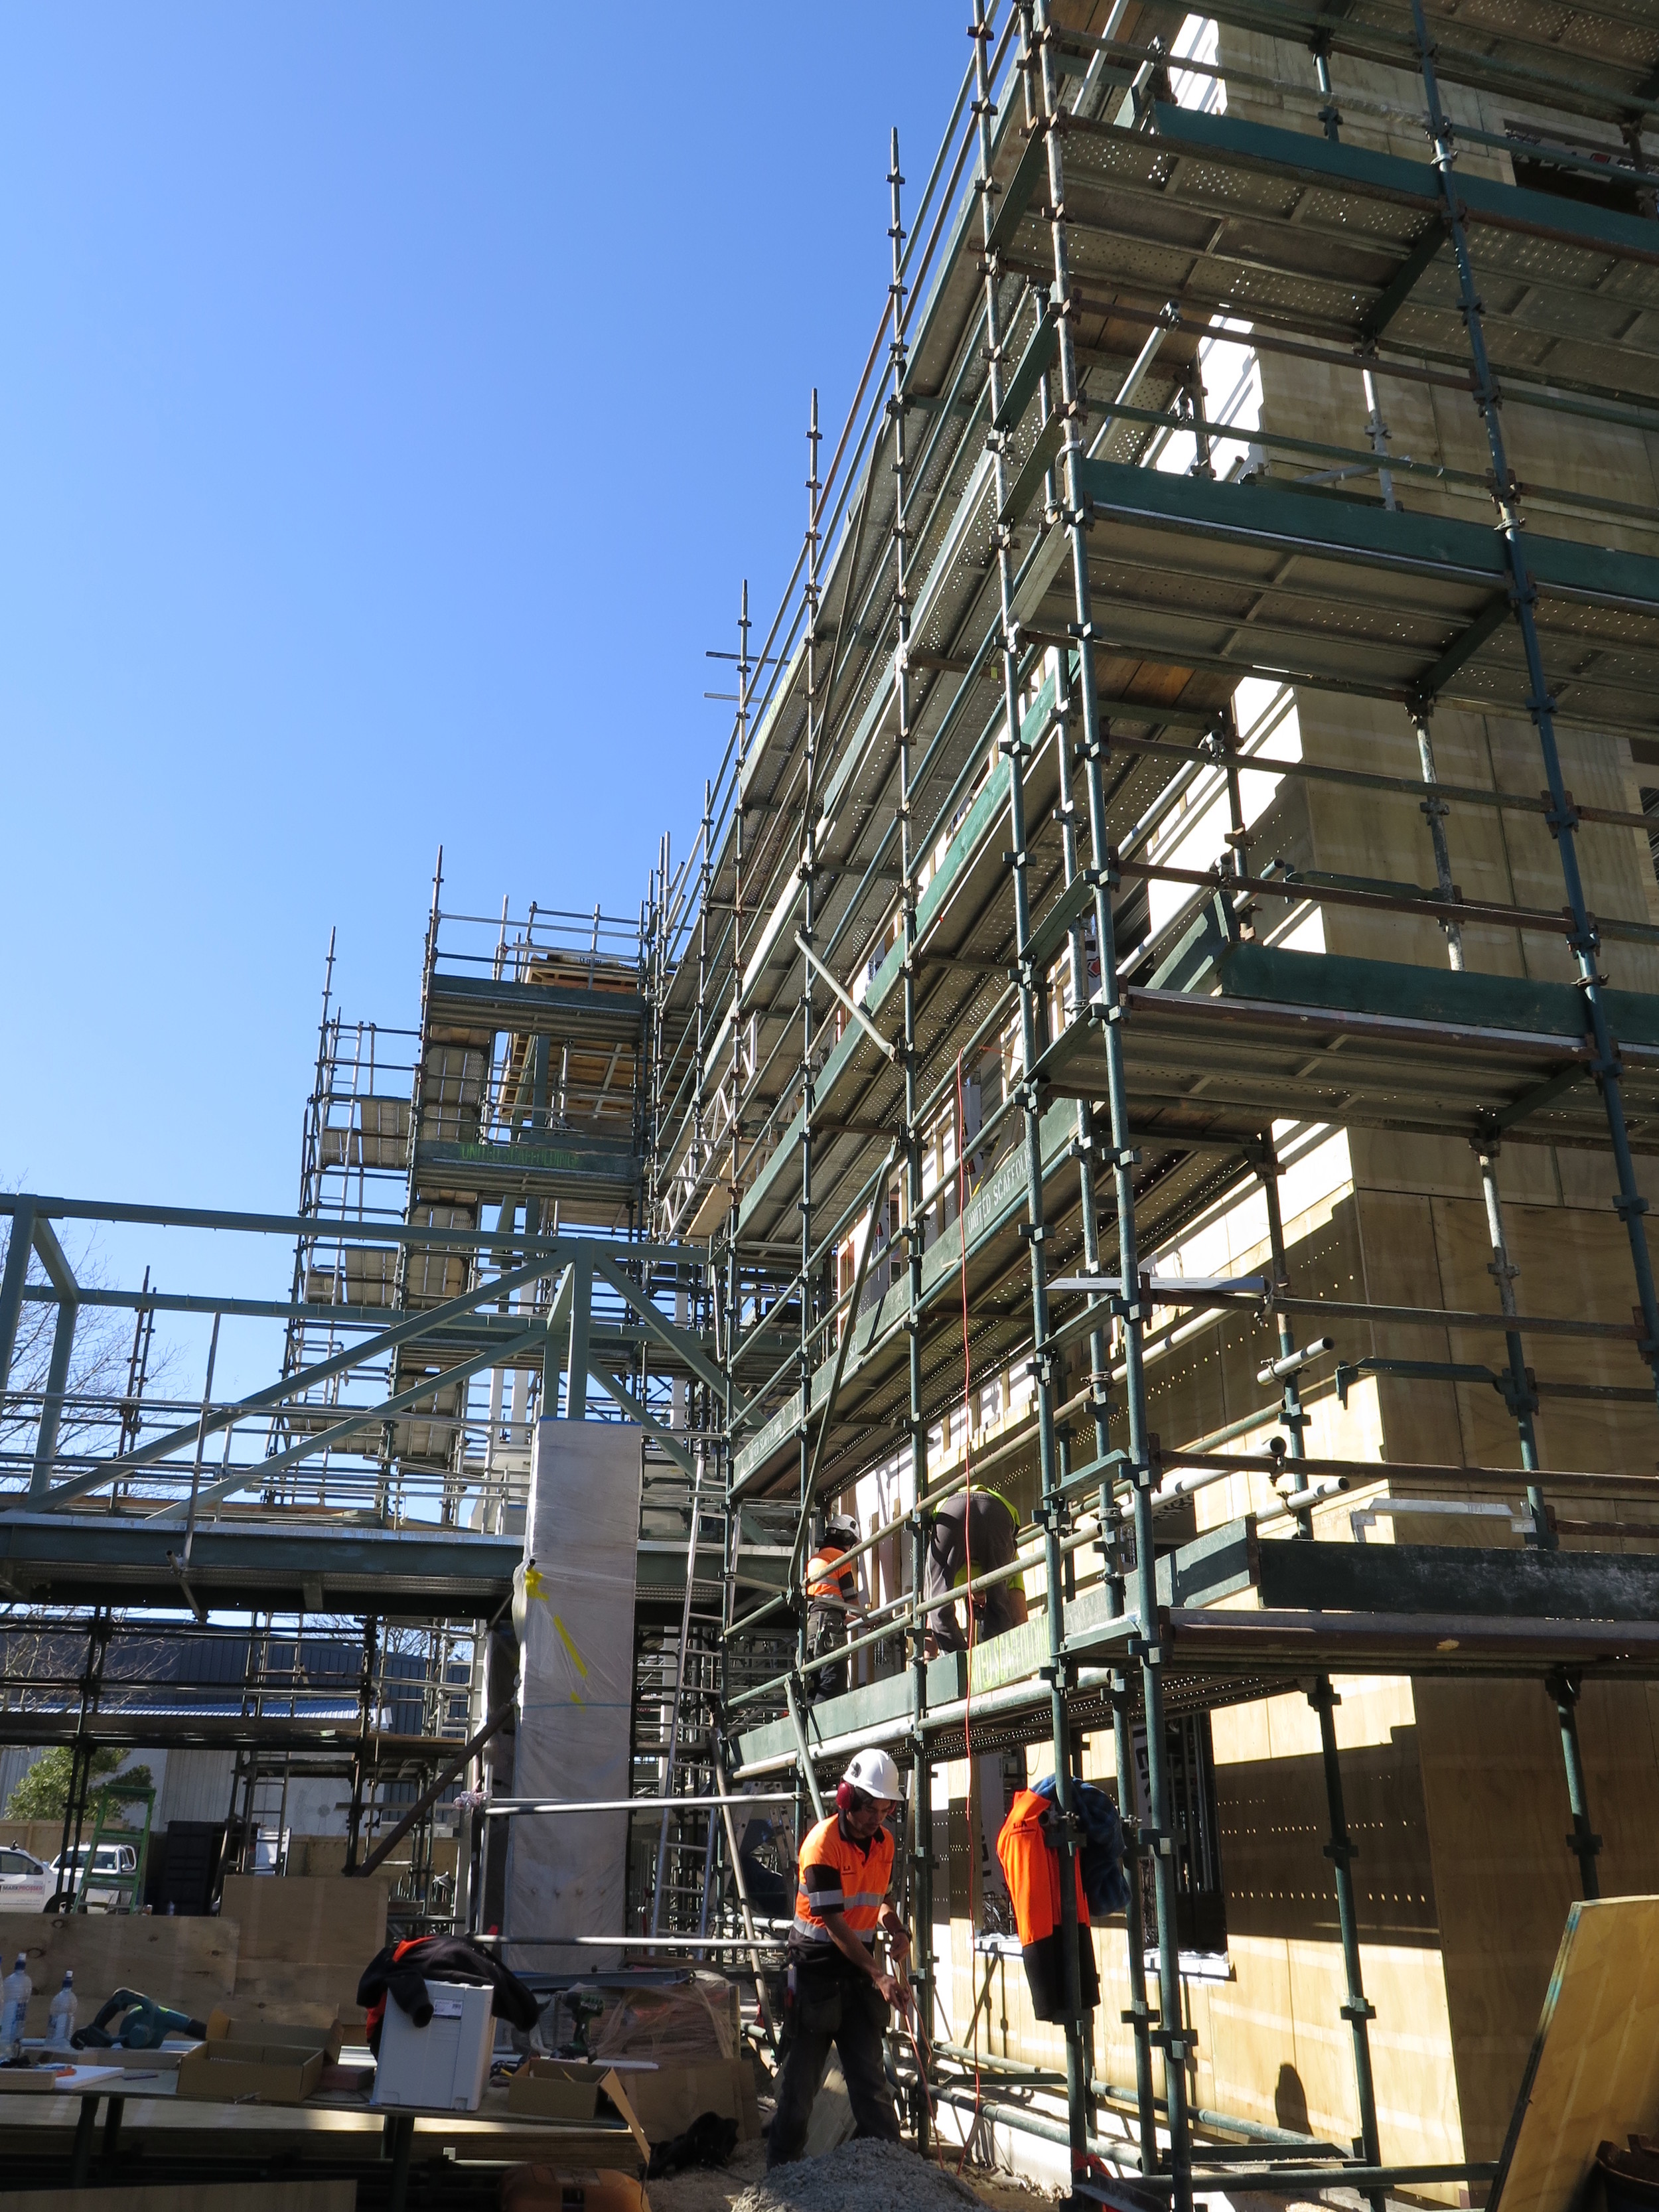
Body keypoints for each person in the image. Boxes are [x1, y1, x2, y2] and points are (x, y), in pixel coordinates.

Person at [768, 1745, 911, 2168]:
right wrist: (879, 1974)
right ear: (847, 1798)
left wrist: (897, 1927)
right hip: (814, 1976)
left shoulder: (884, 1842)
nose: (877, 1819)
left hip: (856, 1976)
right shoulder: (821, 1845)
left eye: (885, 1810)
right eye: (870, 1808)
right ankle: (781, 2181)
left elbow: (878, 1899)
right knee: (798, 2094)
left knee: (872, 2090)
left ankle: (890, 2178)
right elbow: (832, 1921)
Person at [923, 1484, 1027, 1655]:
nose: (980, 1600)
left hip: (956, 1512)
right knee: (1000, 1606)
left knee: (938, 1605)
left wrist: (928, 1659)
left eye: (977, 1604)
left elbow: (935, 1612)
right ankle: (987, 1660)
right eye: (984, 1603)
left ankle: (961, 1662)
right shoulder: (1011, 1560)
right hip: (995, 1511)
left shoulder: (953, 1577)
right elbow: (1019, 1614)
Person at [804, 1514, 860, 1702]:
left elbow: (827, 1606)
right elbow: (851, 1602)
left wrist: (862, 1623)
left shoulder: (814, 1560)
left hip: (811, 1627)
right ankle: (826, 1731)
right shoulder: (840, 1558)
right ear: (847, 1538)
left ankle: (807, 1729)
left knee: (813, 1684)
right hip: (829, 1629)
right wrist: (868, 1617)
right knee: (832, 1685)